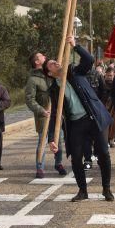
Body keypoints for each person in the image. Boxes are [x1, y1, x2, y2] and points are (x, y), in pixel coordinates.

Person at [45, 36, 114, 202]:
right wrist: (51, 139)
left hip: (92, 117)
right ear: (49, 73)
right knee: (76, 157)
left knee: (103, 153)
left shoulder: (74, 72)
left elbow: (89, 59)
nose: (56, 63)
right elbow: (55, 113)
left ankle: (106, 188)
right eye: (52, 64)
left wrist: (76, 46)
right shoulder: (54, 90)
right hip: (75, 124)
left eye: (56, 61)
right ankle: (82, 190)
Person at [25, 51, 67, 179]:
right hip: (44, 115)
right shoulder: (33, 79)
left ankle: (58, 163)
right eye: (41, 56)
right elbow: (29, 99)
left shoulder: (51, 74)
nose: (44, 56)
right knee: (42, 141)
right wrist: (40, 110)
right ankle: (39, 167)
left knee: (58, 139)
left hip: (57, 113)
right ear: (37, 61)